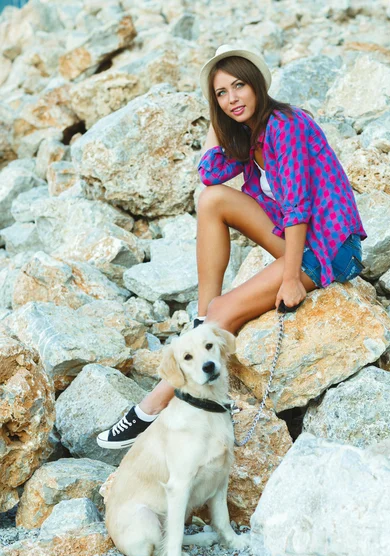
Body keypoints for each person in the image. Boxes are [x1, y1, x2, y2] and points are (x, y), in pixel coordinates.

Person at [97, 44, 367, 449]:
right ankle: (203, 321)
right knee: (213, 200)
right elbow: (208, 174)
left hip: (330, 247)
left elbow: (297, 207)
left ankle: (150, 409)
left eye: (239, 86)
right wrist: (217, 118)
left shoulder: (285, 124)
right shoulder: (248, 135)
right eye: (221, 93)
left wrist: (291, 277)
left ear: (257, 85)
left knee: (228, 310)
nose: (232, 98)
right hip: (301, 237)